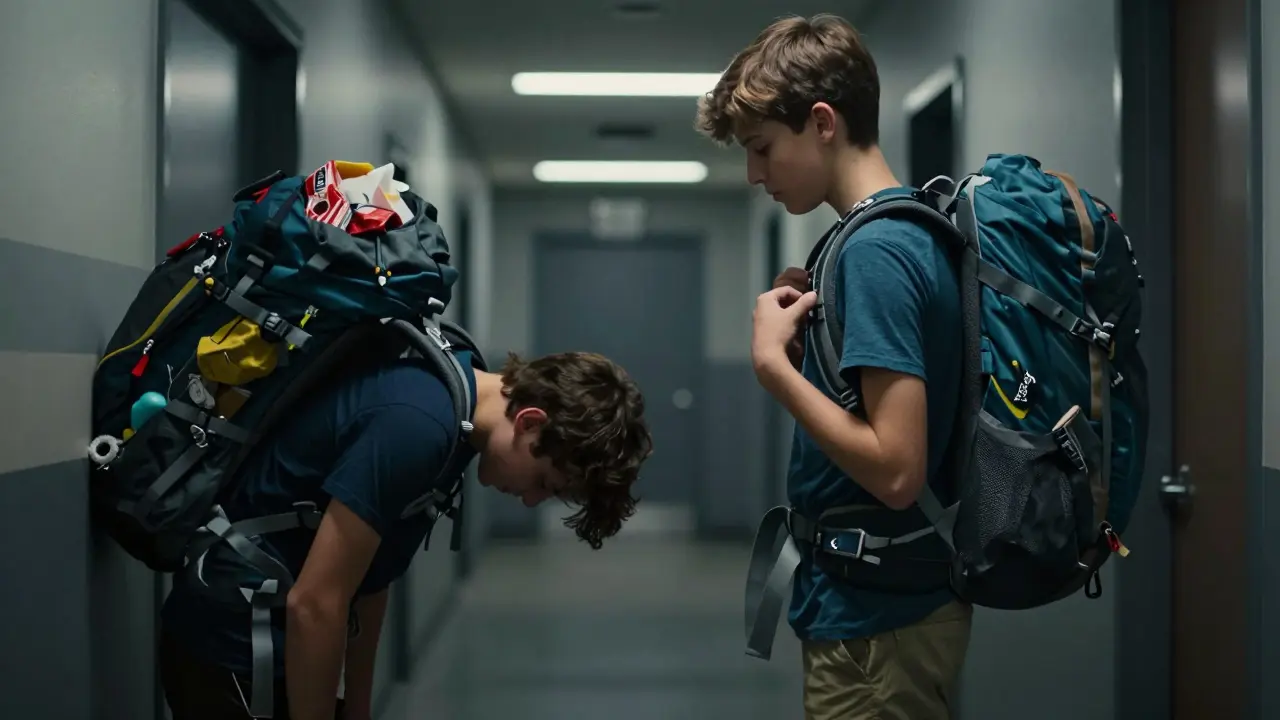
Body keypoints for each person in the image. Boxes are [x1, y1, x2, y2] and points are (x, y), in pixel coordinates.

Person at [695, 13, 972, 720]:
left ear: (822, 122)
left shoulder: (875, 254)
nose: (755, 174)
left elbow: (897, 469)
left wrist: (774, 371)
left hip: (881, 627)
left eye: (761, 149)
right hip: (864, 608)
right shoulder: (876, 238)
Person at [158, 346, 653, 720]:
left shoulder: (457, 422)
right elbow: (316, 604)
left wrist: (356, 710)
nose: (529, 499)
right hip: (233, 649)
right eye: (544, 482)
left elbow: (371, 582)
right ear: (529, 422)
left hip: (282, 645)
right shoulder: (417, 425)